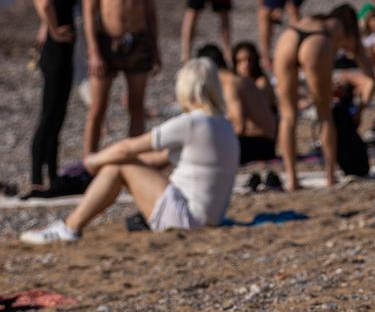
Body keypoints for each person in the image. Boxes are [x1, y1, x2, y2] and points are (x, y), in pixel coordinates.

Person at [19, 59, 239, 244]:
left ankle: (69, 227)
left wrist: (92, 161)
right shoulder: (223, 125)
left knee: (119, 165)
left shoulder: (191, 123)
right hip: (211, 218)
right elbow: (159, 159)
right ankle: (70, 225)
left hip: (188, 219)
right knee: (123, 165)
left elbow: (127, 148)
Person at [82, 0, 161, 158]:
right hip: (107, 40)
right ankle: (89, 162)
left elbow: (150, 10)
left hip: (137, 39)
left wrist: (155, 49)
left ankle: (134, 162)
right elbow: (89, 13)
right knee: (98, 108)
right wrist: (94, 51)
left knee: (137, 107)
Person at [272, 4, 374, 190]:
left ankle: (292, 179)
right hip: (317, 43)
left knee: (287, 116)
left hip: (290, 35)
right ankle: (330, 176)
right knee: (325, 115)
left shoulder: (317, 18)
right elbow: (371, 77)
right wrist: (361, 108)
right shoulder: (345, 31)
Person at [24, 0, 86, 198]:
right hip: (55, 50)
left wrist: (48, 25)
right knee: (49, 113)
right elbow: (43, 0)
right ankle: (37, 179)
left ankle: (52, 175)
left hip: (64, 49)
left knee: (59, 113)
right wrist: (52, 29)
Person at [196, 44, 279, 166]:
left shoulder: (231, 84)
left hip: (260, 145)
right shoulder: (237, 80)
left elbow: (239, 126)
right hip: (266, 141)